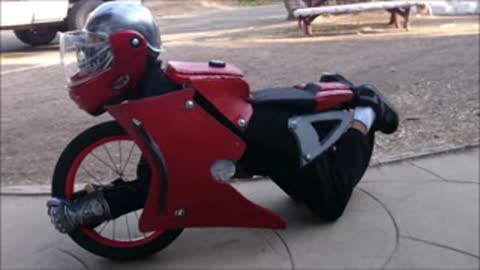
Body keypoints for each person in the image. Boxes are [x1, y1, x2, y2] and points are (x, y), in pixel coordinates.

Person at [47, 2, 399, 233]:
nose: (89, 61)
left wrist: (94, 208)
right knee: (300, 192)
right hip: (258, 143)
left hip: (277, 140)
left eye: (97, 52)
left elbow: (170, 183)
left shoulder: (163, 96)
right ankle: (336, 92)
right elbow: (160, 175)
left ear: (130, 47)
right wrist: (100, 199)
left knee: (329, 204)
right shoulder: (154, 91)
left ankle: (365, 111)